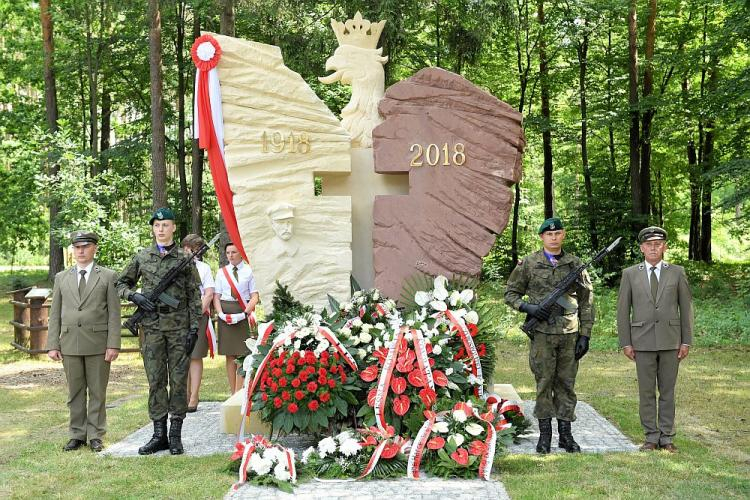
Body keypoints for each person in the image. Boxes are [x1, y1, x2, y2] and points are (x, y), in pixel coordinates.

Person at [504, 217, 594, 454]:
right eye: (549, 234)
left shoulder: (575, 264)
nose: (554, 238)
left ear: (563, 235)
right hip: (542, 334)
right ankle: (545, 436)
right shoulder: (529, 263)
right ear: (542, 237)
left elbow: (586, 302)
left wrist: (585, 335)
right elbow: (511, 293)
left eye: (558, 234)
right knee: (544, 383)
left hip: (569, 334)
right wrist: (528, 308)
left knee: (566, 384)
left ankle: (566, 436)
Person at [116, 208, 202, 455]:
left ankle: (175, 436)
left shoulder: (184, 258)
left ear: (174, 227)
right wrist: (135, 296)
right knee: (155, 381)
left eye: (166, 224)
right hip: (152, 329)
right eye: (157, 225)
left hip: (179, 330)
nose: (161, 229)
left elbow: (194, 295)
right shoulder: (142, 257)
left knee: (177, 383)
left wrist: (194, 328)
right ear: (153, 229)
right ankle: (158, 435)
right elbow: (120, 283)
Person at [616, 226, 693, 453]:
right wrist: (626, 342)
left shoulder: (677, 272)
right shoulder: (630, 274)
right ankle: (650, 436)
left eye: (658, 244)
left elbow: (686, 307)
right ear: (641, 248)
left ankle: (667, 437)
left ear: (665, 247)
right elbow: (623, 310)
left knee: (667, 392)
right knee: (647, 392)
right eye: (649, 244)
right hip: (642, 341)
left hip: (671, 340)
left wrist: (686, 341)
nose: (653, 247)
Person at [47, 231, 121, 452]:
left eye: (85, 246)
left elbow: (114, 314)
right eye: (77, 247)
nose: (80, 251)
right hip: (69, 342)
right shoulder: (62, 277)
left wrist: (113, 344)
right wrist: (53, 343)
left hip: (98, 342)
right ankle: (76, 434)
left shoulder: (107, 276)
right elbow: (55, 312)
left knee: (98, 391)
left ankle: (96, 435)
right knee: (75, 392)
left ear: (94, 248)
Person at [213, 242, 259, 393]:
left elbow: (254, 296)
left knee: (242, 354)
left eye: (233, 252)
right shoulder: (222, 272)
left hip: (242, 311)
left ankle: (240, 392)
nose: (230, 256)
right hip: (225, 312)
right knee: (229, 354)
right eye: (228, 253)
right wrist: (220, 314)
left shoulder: (249, 271)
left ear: (241, 253)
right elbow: (216, 296)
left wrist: (244, 313)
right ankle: (233, 392)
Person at [181, 234, 215, 412]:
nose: (191, 252)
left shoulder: (204, 268)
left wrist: (195, 313)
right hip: (180, 317)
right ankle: (183, 395)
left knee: (195, 355)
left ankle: (194, 396)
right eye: (188, 248)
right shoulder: (178, 266)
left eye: (195, 249)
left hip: (198, 316)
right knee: (182, 356)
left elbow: (208, 294)